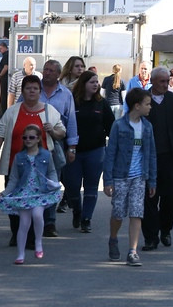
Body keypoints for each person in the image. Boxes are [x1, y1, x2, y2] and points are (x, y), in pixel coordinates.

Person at [0, 74, 66, 248]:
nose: (31, 91)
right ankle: (16, 233)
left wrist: (52, 131)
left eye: (35, 88)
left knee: (36, 202)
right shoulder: (12, 111)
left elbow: (61, 132)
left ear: (39, 91)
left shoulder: (49, 111)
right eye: (28, 88)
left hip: (40, 167)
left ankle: (32, 237)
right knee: (13, 199)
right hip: (15, 164)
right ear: (22, 91)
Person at [141, 67, 173, 251]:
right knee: (149, 199)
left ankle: (166, 229)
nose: (165, 84)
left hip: (170, 156)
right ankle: (150, 237)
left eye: (166, 81)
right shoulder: (143, 99)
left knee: (172, 195)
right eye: (161, 81)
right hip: (148, 158)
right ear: (153, 82)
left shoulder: (172, 99)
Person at [103, 88, 156, 267]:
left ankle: (132, 251)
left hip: (139, 177)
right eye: (147, 104)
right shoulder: (119, 125)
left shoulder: (147, 127)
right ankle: (113, 238)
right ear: (137, 105)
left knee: (136, 212)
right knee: (118, 213)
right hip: (120, 176)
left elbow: (151, 155)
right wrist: (108, 180)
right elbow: (110, 153)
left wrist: (152, 180)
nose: (150, 107)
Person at [0, 124, 61, 264]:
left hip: (40, 193)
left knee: (37, 215)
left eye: (31, 137)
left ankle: (38, 242)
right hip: (24, 194)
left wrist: (54, 183)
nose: (28, 140)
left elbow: (52, 171)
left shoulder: (46, 155)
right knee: (24, 223)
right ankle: (20, 254)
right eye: (25, 137)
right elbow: (13, 179)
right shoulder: (19, 157)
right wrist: (6, 192)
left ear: (38, 139)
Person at [68, 70, 115, 233]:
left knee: (91, 187)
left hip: (96, 151)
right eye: (92, 82)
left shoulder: (102, 103)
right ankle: (77, 210)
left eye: (97, 82)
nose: (95, 85)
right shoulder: (73, 102)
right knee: (72, 187)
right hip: (74, 151)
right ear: (83, 84)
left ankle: (86, 218)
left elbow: (111, 127)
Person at [39, 59, 78, 234]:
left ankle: (50, 222)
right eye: (45, 69)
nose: (46, 73)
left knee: (53, 182)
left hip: (56, 143)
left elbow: (71, 122)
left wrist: (72, 147)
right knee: (34, 181)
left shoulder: (65, 94)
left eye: (50, 70)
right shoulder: (33, 89)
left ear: (57, 74)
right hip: (33, 142)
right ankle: (34, 218)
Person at [0, 42, 10, 117]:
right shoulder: (6, 55)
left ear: (5, 47)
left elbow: (5, 67)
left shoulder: (6, 55)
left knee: (3, 96)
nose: (0, 50)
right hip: (3, 79)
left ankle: (4, 113)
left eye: (1, 48)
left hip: (4, 79)